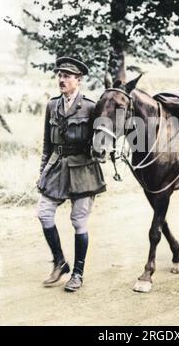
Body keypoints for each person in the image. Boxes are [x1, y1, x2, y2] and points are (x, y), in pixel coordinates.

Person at [37, 56, 106, 292]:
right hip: (57, 167)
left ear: (79, 80)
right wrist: (42, 172)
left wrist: (102, 150)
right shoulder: (52, 105)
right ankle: (60, 262)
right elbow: (47, 143)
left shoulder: (91, 106)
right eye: (59, 75)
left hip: (83, 170)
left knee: (78, 222)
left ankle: (77, 273)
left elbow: (103, 142)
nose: (61, 79)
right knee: (44, 213)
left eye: (66, 75)